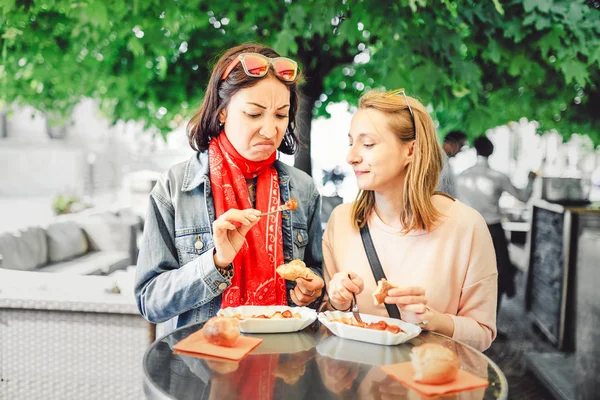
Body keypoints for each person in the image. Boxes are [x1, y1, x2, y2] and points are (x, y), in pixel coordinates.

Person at [135, 44, 325, 333]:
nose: (270, 130)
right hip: (202, 369)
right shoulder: (175, 188)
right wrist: (217, 261)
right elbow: (150, 301)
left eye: (280, 115)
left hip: (283, 364)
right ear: (222, 112)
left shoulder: (304, 189)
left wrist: (312, 289)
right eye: (253, 113)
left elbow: (317, 275)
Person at [323, 89, 497, 352]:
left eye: (367, 144)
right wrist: (338, 300)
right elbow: (330, 319)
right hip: (357, 385)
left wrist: (431, 319)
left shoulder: (466, 226)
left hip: (429, 386)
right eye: (351, 143)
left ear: (411, 151)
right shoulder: (341, 222)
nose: (351, 157)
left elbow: (482, 333)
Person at [456, 135, 535, 312]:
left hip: (466, 231)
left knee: (465, 275)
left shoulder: (462, 176)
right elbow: (523, 197)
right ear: (492, 152)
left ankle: (464, 319)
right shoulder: (497, 177)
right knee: (495, 275)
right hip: (493, 231)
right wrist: (531, 180)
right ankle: (490, 323)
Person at [437, 130, 467, 197]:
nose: (460, 150)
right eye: (460, 145)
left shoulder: (445, 163)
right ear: (450, 143)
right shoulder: (437, 162)